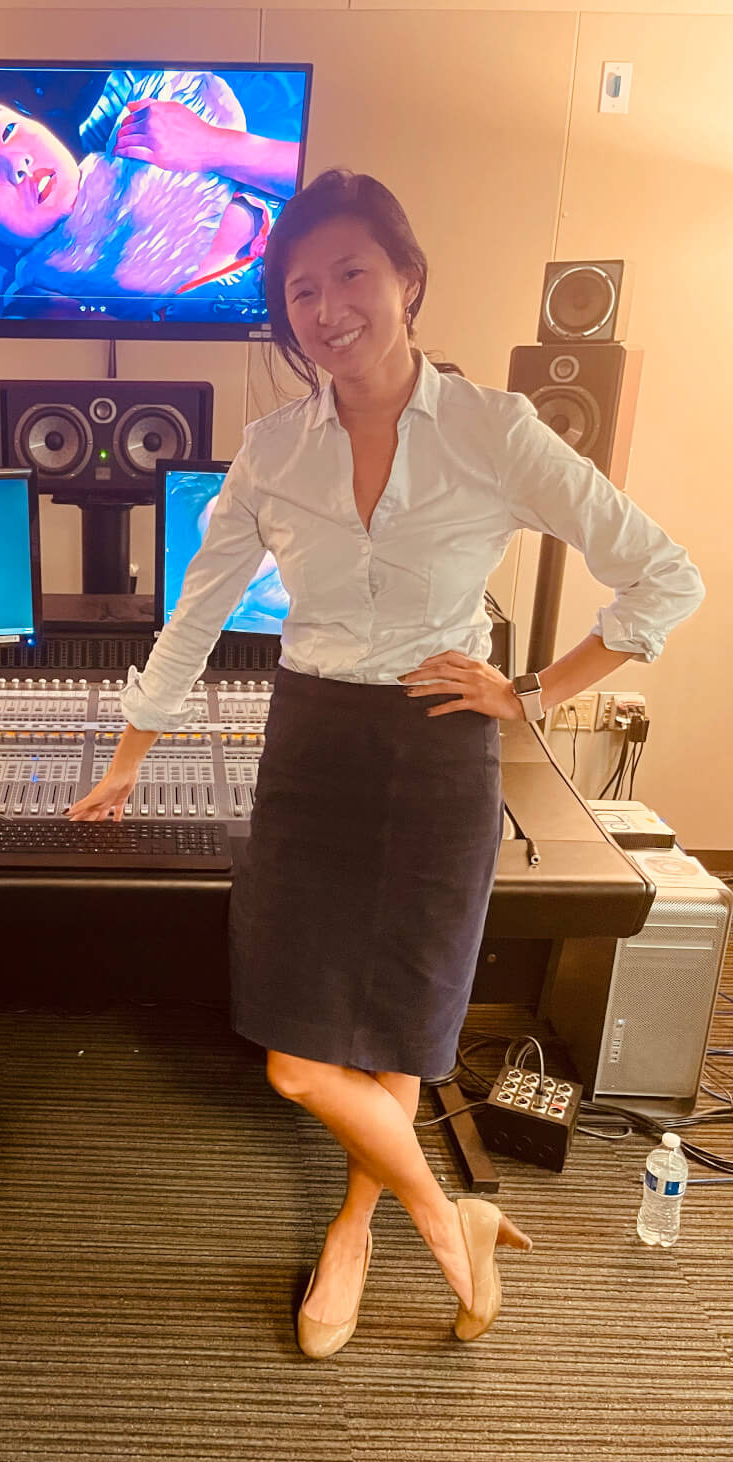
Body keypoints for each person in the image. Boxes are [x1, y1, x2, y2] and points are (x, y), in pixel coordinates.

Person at [68, 168, 704, 1355]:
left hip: (436, 748)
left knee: (399, 1029)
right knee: (301, 1062)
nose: (325, 306)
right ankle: (446, 1210)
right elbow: (195, 615)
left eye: (350, 273)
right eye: (300, 288)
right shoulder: (269, 452)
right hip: (311, 749)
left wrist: (531, 695)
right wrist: (130, 752)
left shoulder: (494, 429)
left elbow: (665, 574)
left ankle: (361, 1228)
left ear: (408, 279)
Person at [0, 68, 300, 311]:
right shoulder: (45, 299)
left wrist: (214, 147)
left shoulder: (165, 106)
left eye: (8, 130)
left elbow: (339, 185)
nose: (15, 165)